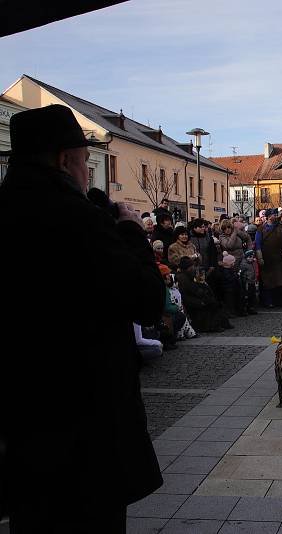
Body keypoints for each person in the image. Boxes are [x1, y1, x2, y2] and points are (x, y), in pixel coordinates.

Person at [0, 104, 165, 530]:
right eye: (85, 162)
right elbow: (146, 299)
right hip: (84, 417)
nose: (88, 172)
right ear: (64, 160)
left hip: (23, 415)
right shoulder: (77, 219)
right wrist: (130, 230)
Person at [176, 257, 233, 332]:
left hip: (196, 299)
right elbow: (187, 295)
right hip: (192, 303)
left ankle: (222, 323)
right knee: (212, 304)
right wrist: (200, 301)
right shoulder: (182, 278)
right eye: (192, 266)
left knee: (215, 302)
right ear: (188, 267)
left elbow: (195, 287)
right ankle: (213, 326)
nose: (193, 268)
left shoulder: (188, 276)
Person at [256, 212, 282, 308]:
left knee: (279, 281)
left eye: (275, 215)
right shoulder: (261, 229)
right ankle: (268, 301)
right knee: (267, 281)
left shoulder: (281, 228)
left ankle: (277, 300)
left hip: (279, 258)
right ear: (268, 217)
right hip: (267, 259)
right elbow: (258, 244)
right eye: (272, 215)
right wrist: (260, 257)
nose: (274, 216)